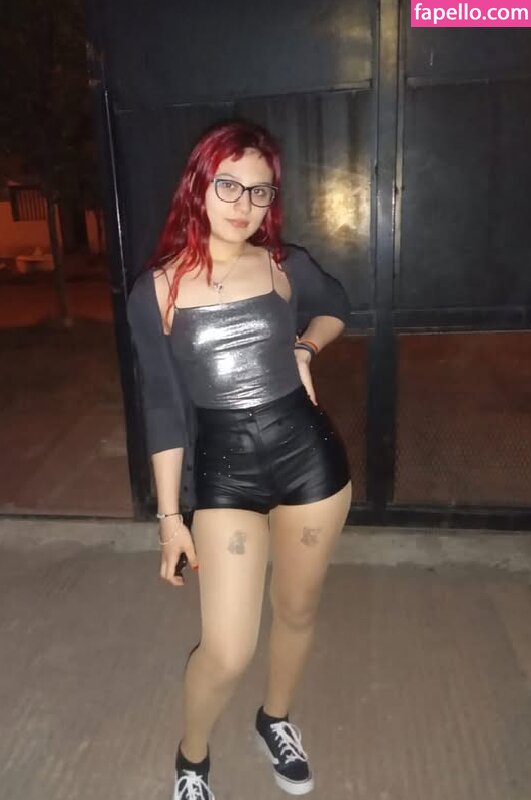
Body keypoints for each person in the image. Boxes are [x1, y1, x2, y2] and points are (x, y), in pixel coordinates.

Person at [126, 120, 352, 800]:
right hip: (225, 472)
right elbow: (163, 410)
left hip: (309, 462)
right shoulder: (156, 291)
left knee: (297, 610)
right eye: (228, 184)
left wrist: (305, 348)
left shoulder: (282, 264)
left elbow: (336, 307)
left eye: (260, 190)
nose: (243, 203)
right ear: (198, 185)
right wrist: (170, 520)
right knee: (226, 650)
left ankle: (274, 719)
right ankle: (192, 758)